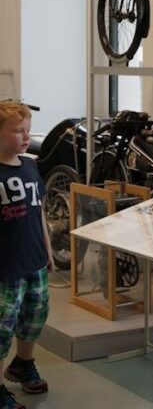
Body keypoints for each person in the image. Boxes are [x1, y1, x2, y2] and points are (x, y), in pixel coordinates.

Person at [0, 102, 53, 409]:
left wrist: (47, 249)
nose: (25, 137)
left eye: (28, 131)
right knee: (3, 324)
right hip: (6, 266)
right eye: (17, 131)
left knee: (35, 314)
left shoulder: (30, 165)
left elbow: (39, 211)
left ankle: (23, 363)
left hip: (34, 261)